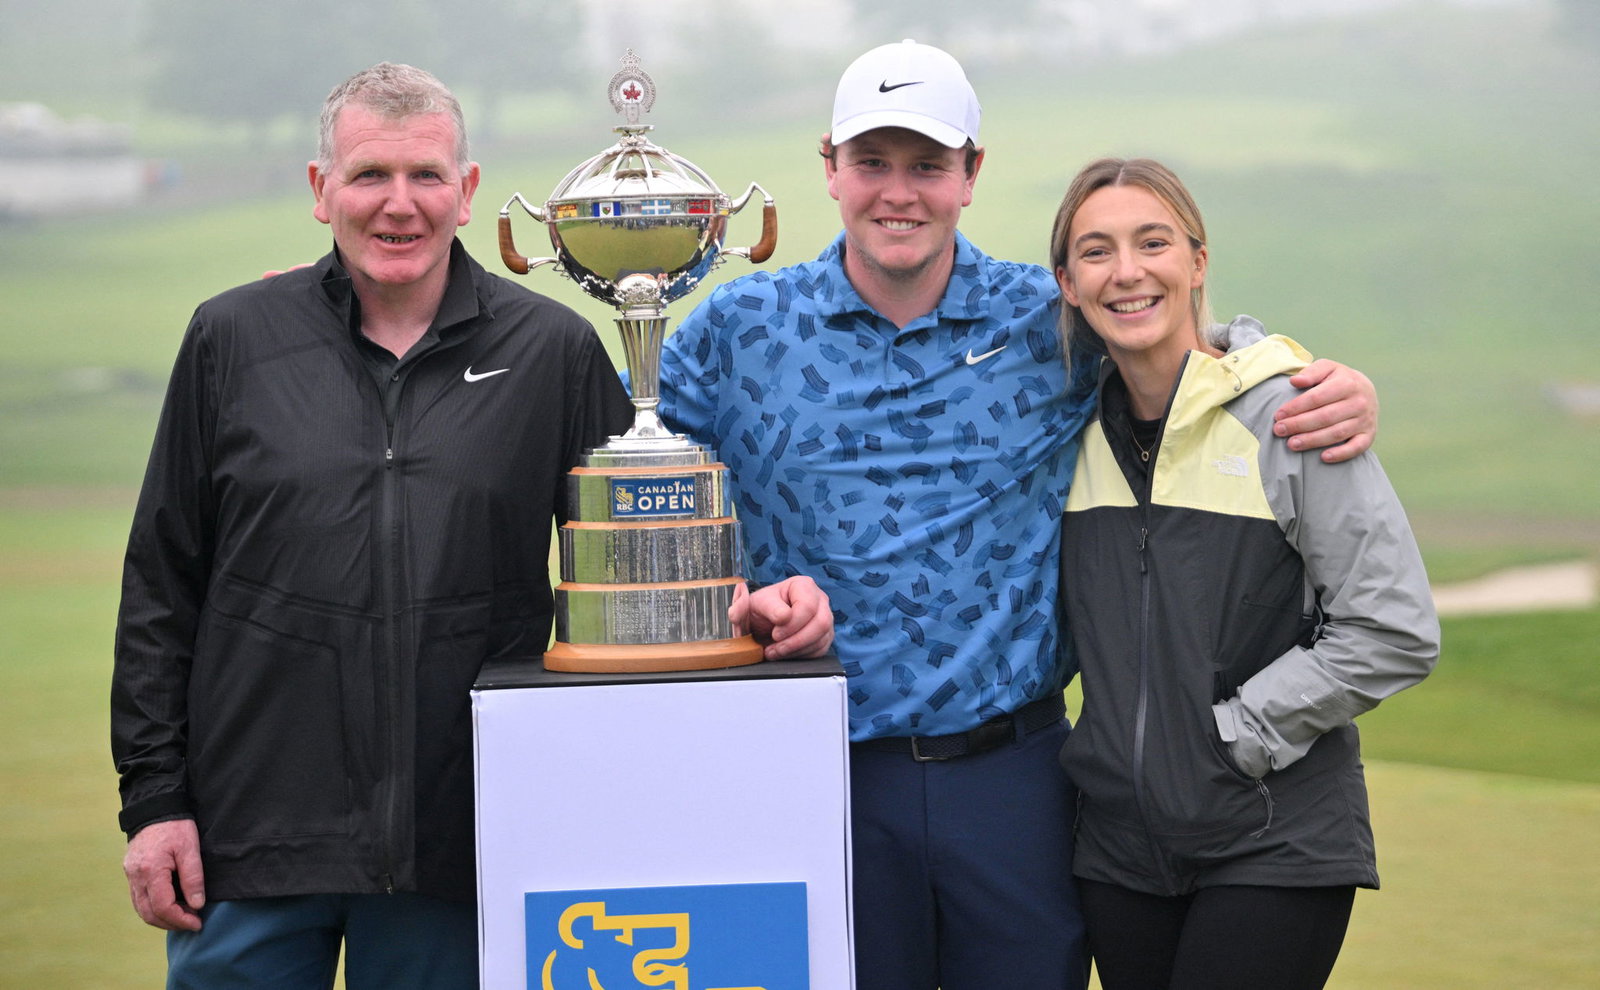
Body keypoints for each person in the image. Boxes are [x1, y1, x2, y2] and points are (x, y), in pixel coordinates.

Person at [653, 40, 1380, 990]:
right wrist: (739, 599)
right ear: (829, 166)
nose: (898, 193)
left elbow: (1179, 348)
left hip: (1015, 776)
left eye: (928, 166)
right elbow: (647, 510)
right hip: (814, 766)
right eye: (873, 163)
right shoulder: (739, 327)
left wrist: (1309, 375)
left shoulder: (1049, 322)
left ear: (971, 175)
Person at [111, 62, 830, 990]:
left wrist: (749, 608)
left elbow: (637, 559)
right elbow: (163, 585)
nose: (398, 205)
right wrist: (155, 802)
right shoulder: (233, 339)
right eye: (370, 175)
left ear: (469, 190)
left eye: (427, 177)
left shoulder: (551, 351)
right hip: (253, 834)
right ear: (320, 190)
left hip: (464, 841)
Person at [1050, 157, 1440, 990]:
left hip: (1274, 836)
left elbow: (1393, 627)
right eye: (1096, 251)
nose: (1127, 271)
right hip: (1119, 853)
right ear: (1068, 283)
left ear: (1196, 261)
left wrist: (1237, 733)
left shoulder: (1291, 414)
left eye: (1152, 242)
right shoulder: (1064, 438)